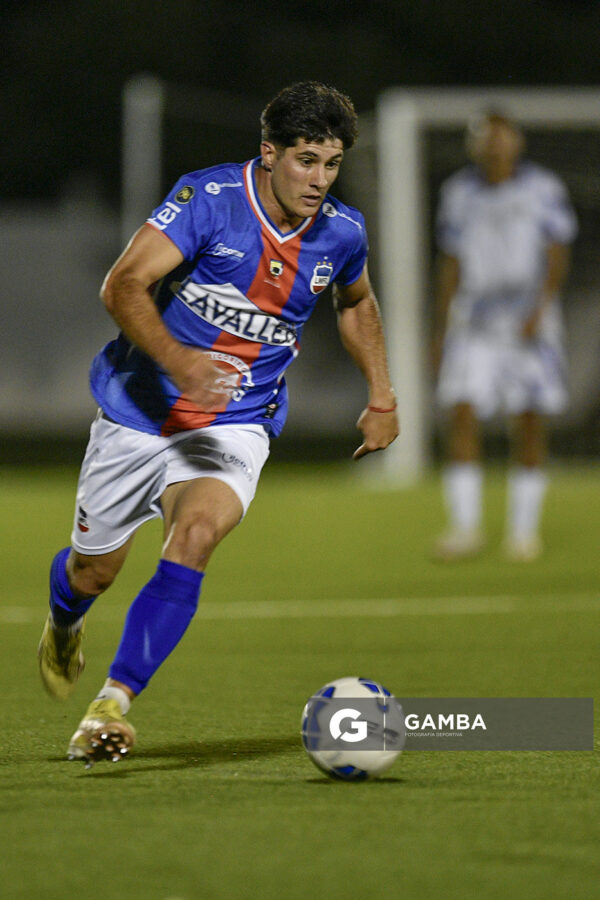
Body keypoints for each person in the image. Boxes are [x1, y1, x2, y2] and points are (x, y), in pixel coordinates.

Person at [37, 81, 399, 765]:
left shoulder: (342, 232)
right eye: (305, 161)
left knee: (196, 532)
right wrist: (181, 362)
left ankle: (110, 706)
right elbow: (123, 285)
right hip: (138, 411)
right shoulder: (208, 202)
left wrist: (383, 395)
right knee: (93, 573)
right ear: (269, 153)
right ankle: (63, 622)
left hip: (237, 420)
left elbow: (356, 304)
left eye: (331, 165)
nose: (319, 180)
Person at [431, 110, 577, 562]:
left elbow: (557, 252)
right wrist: (440, 327)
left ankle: (523, 531)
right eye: (485, 138)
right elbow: (450, 260)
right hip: (474, 321)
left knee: (530, 419)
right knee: (462, 412)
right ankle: (465, 527)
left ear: (515, 141)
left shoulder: (543, 189)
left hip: (528, 322)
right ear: (474, 144)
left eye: (500, 136)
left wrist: (542, 307)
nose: (493, 145)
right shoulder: (458, 193)